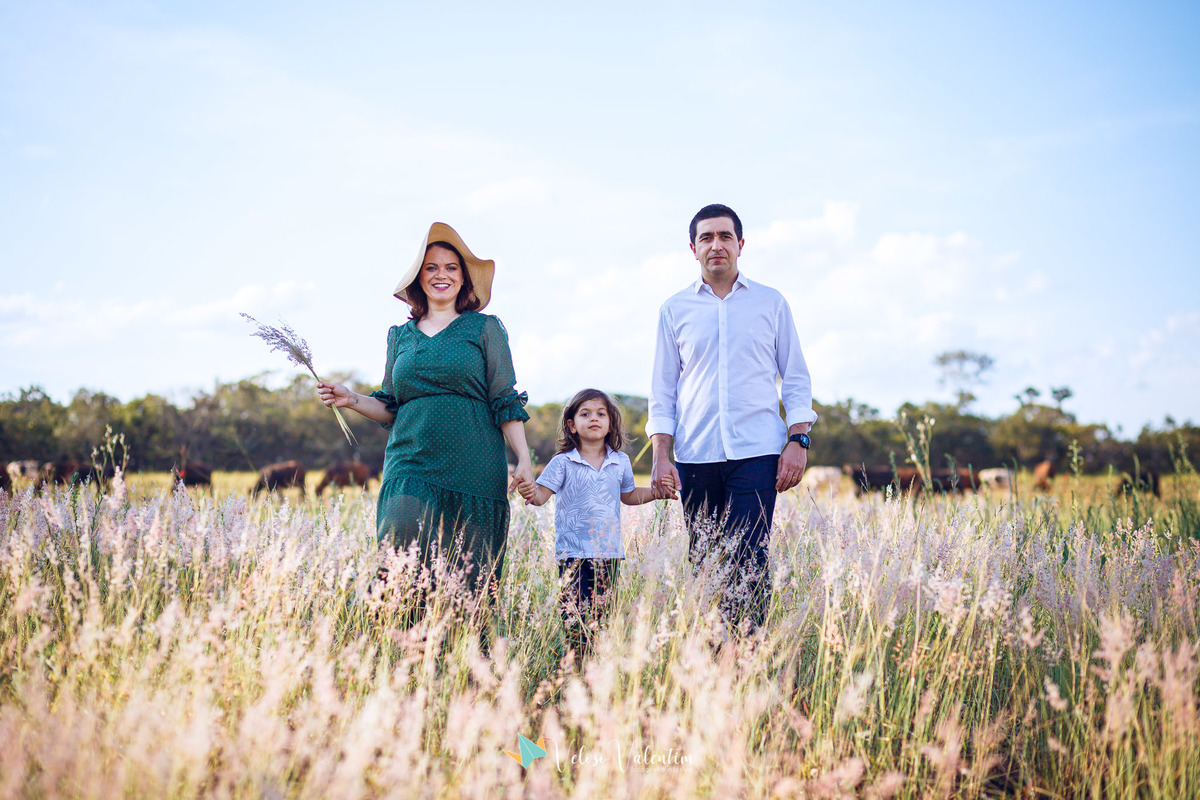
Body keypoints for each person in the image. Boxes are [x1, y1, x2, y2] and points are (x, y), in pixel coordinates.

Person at [318, 222, 534, 597]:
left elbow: (505, 398)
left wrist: (525, 459)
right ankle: (401, 641)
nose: (441, 275)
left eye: (451, 268)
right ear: (419, 279)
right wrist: (351, 399)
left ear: (464, 279)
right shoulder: (399, 336)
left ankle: (460, 647)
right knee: (400, 541)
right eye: (431, 268)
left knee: (470, 573)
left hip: (475, 465)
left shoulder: (484, 329)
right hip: (411, 459)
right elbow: (390, 405)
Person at [647, 203, 817, 631]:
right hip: (695, 454)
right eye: (707, 237)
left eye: (725, 236)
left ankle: (748, 662)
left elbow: (795, 378)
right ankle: (712, 665)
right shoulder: (674, 310)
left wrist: (798, 441)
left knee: (749, 560)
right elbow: (663, 390)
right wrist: (660, 456)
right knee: (704, 563)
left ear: (740, 245)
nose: (716, 245)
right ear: (693, 248)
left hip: (757, 452)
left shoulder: (771, 303)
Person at [517, 389, 664, 655]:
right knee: (574, 619)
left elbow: (629, 496)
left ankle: (599, 670)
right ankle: (577, 670)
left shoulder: (620, 461)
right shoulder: (562, 462)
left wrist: (655, 492)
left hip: (608, 554)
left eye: (600, 414)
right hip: (572, 555)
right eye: (585, 414)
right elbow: (539, 497)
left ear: (610, 424)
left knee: (603, 620)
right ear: (572, 425)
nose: (593, 419)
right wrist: (528, 489)